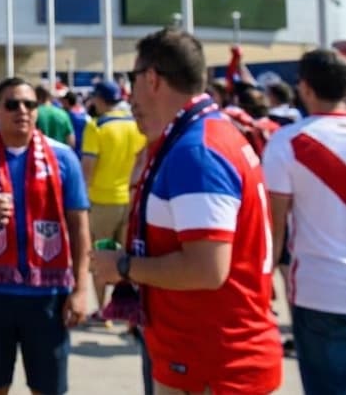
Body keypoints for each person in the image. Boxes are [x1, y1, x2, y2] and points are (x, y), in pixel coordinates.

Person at [91, 28, 282, 394]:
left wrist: (124, 266)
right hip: (208, 360)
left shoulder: (196, 151)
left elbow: (207, 269)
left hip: (211, 366)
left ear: (152, 78)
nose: (130, 97)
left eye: (132, 79)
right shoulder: (201, 137)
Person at [0, 77, 91, 395]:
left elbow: (79, 227)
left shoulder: (63, 158)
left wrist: (80, 290)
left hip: (48, 296)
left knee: (48, 388)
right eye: (12, 104)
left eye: (29, 104)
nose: (22, 111)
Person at [262, 48, 346, 394]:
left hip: (319, 292)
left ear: (305, 88)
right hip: (317, 293)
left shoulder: (287, 143)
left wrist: (263, 282)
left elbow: (275, 227)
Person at [78, 81, 146, 322]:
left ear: (100, 99)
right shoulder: (136, 125)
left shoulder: (96, 127)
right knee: (130, 258)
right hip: (130, 199)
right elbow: (142, 159)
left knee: (100, 256)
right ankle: (132, 312)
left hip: (103, 200)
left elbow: (88, 168)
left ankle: (103, 310)